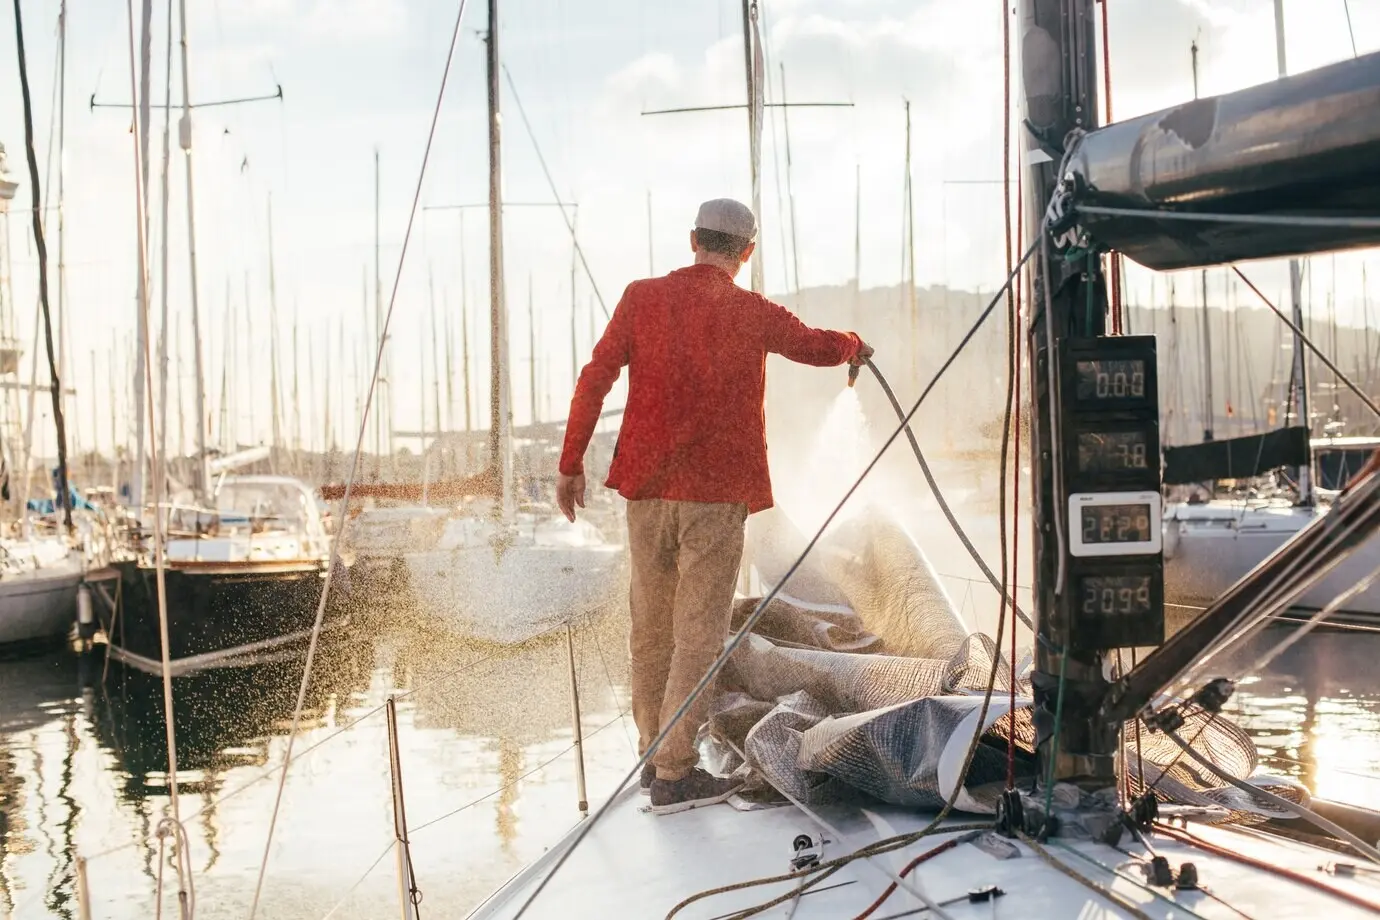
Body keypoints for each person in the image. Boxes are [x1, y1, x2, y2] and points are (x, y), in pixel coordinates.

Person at [556, 198, 873, 815]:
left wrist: (571, 465)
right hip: (715, 494)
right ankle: (675, 773)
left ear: (692, 238)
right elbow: (813, 346)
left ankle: (656, 755)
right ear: (746, 252)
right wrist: (854, 344)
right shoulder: (749, 310)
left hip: (646, 491)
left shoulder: (639, 298)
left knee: (649, 631)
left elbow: (594, 376)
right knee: (697, 636)